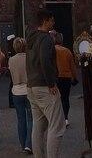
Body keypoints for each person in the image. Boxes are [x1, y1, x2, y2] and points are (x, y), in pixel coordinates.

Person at [27, 9, 64, 158]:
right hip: (44, 85)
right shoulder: (46, 39)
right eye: (52, 20)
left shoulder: (31, 37)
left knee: (39, 125)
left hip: (32, 85)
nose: (53, 23)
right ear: (46, 21)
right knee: (57, 126)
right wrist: (51, 83)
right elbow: (45, 61)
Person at [8, 37, 33, 153]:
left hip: (16, 90)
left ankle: (23, 144)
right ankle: (29, 143)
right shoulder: (29, 58)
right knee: (31, 118)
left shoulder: (11, 60)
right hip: (28, 89)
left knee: (20, 119)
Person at [51, 31, 77, 127]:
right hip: (66, 77)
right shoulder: (67, 51)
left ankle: (57, 118)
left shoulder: (52, 50)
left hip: (56, 77)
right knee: (65, 99)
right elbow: (72, 66)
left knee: (56, 99)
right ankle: (65, 118)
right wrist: (75, 77)